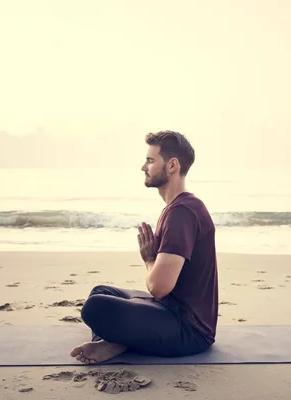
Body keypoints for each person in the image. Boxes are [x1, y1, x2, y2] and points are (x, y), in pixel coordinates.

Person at [69, 130, 219, 364]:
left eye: (150, 160)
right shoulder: (178, 208)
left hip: (189, 330)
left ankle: (116, 341)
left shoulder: (182, 212)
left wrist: (149, 259)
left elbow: (159, 287)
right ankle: (114, 342)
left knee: (96, 308)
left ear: (172, 166)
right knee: (101, 292)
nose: (143, 167)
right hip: (169, 310)